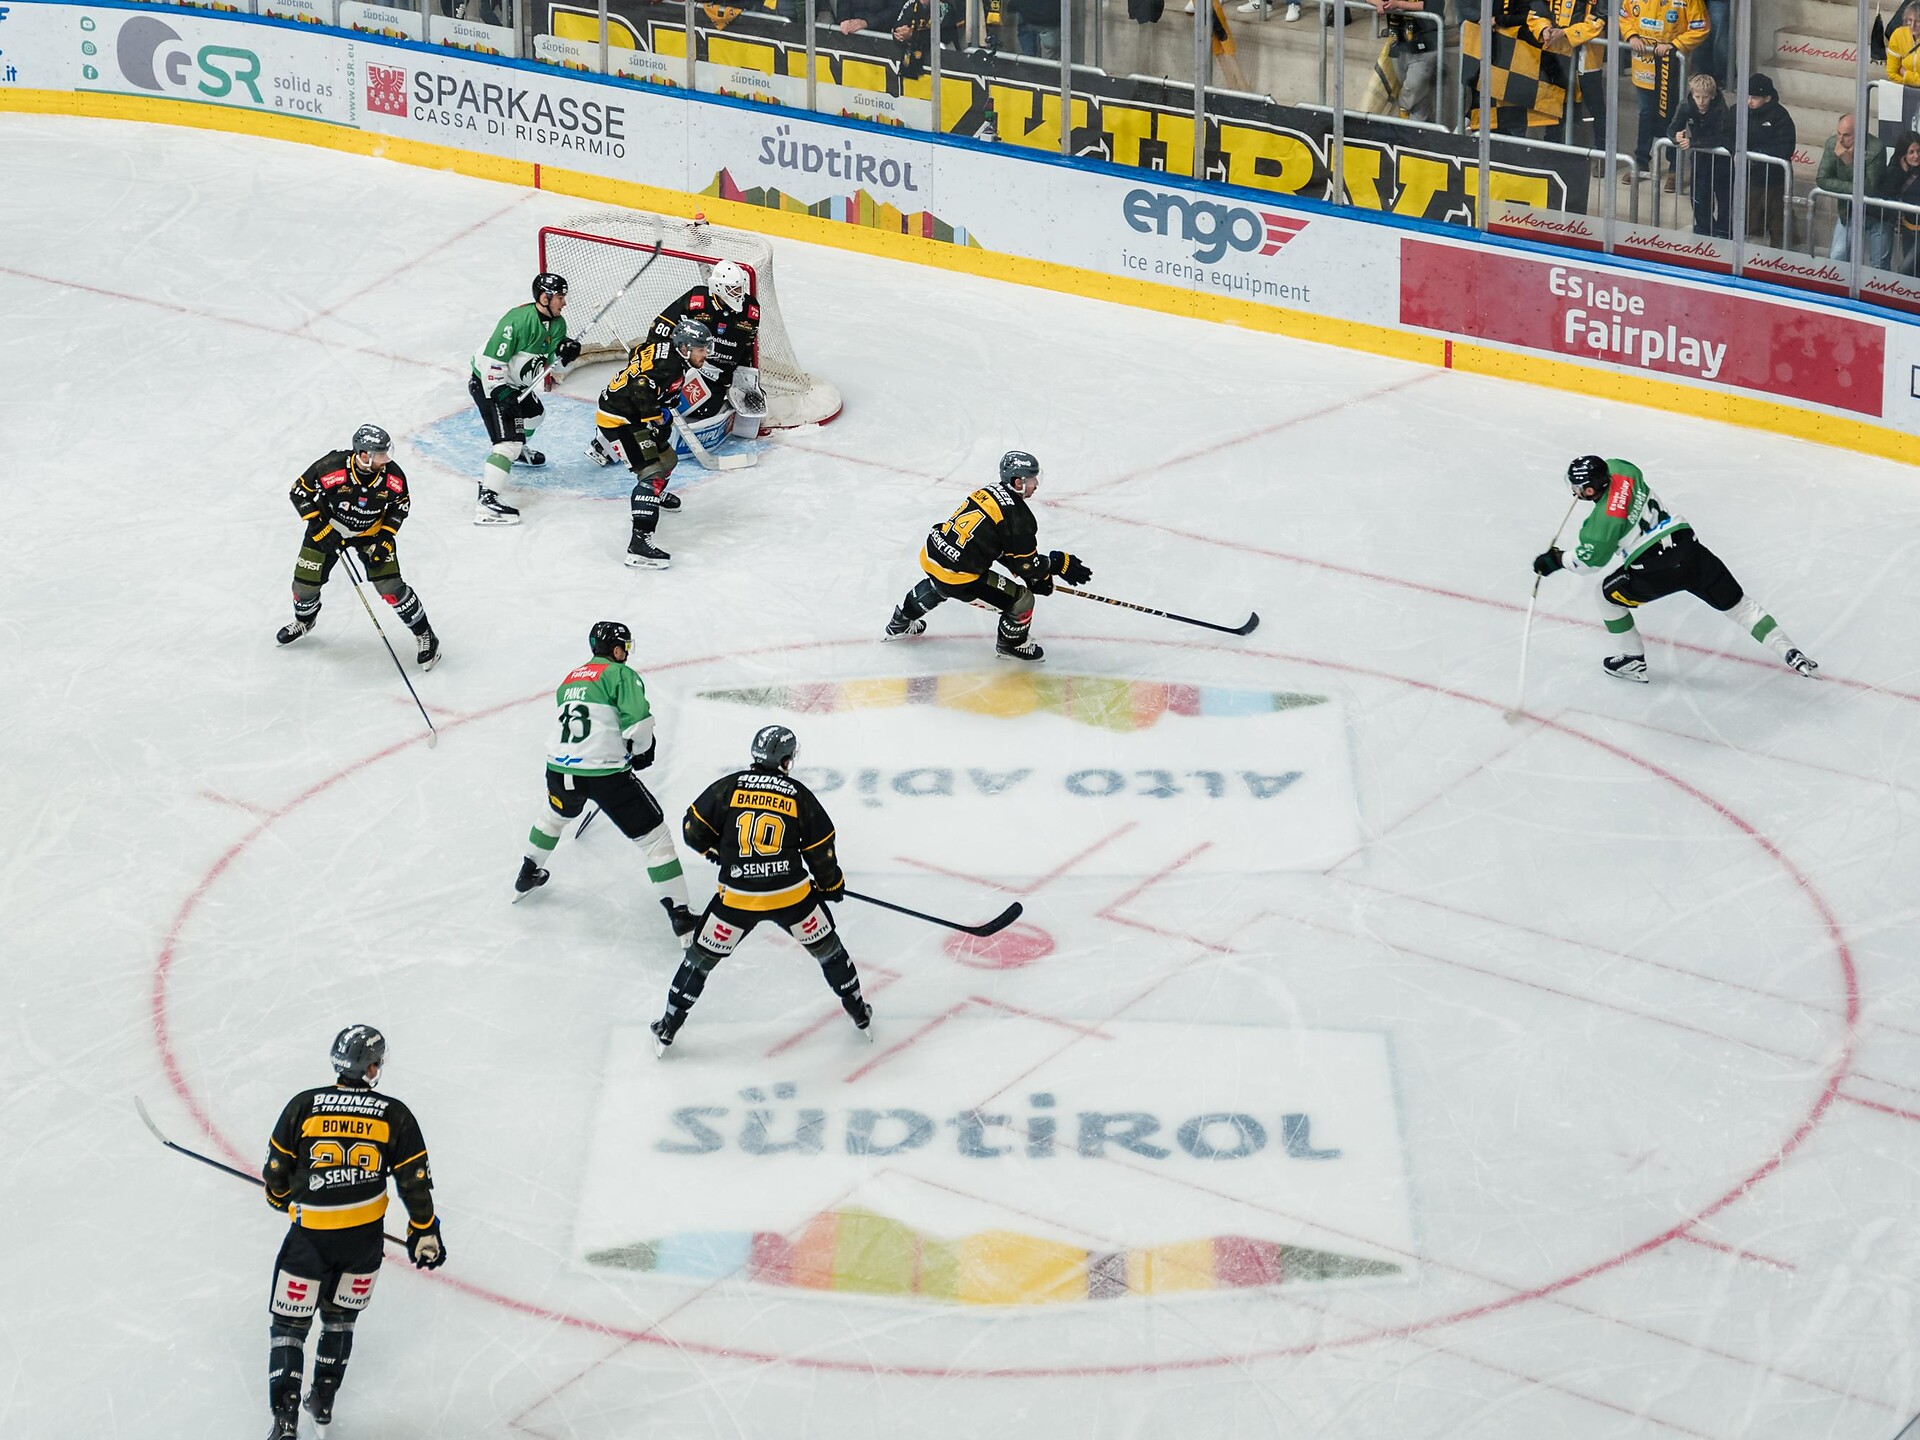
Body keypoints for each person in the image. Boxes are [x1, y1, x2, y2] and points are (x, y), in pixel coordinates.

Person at [261, 1025, 443, 1439]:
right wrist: (424, 1232)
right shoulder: (394, 1113)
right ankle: (322, 1400)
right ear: (372, 1066)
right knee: (340, 1321)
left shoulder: (304, 1106)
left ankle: (285, 1419)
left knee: (289, 1327)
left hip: (309, 1240)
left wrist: (280, 1196)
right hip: (363, 1242)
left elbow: (276, 1171)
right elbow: (414, 1181)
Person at [650, 724, 872, 1054]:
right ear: (785, 760)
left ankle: (668, 1025)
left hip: (736, 899)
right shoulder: (797, 795)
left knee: (698, 962)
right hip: (792, 897)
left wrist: (717, 852)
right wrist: (831, 884)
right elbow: (821, 846)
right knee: (830, 952)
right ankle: (859, 1013)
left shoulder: (729, 787)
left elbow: (692, 828)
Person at [1532, 455, 1817, 683]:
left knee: (1604, 595)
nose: (1575, 491)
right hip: (1689, 548)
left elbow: (1587, 563)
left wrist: (1556, 560)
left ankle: (1632, 659)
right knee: (1739, 606)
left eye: (1578, 487)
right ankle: (1790, 651)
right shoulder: (1622, 469)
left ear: (1591, 489)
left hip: (1655, 570)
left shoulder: (1599, 526)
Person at [513, 620, 698, 945]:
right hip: (604, 775)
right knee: (655, 840)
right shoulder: (620, 674)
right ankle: (681, 916)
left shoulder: (569, 679)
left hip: (559, 770)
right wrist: (641, 751)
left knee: (553, 817)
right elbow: (639, 723)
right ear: (616, 649)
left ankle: (527, 872)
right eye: (624, 647)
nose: (626, 653)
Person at [883, 450, 1092, 664]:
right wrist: (1053, 565)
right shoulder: (1018, 516)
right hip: (959, 575)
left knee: (940, 582)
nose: (1036, 483)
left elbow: (996, 543)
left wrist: (1033, 572)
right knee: (1023, 600)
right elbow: (1026, 565)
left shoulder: (987, 492)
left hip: (933, 554)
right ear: (1018, 482)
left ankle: (900, 622)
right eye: (1031, 479)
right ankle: (1012, 645)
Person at [276, 424, 440, 669]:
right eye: (380, 455)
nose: (386, 460)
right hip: (327, 530)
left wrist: (386, 538)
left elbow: (401, 505)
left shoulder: (393, 477)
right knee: (304, 587)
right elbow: (299, 492)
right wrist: (319, 527)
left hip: (371, 534)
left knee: (391, 587)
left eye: (387, 453)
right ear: (363, 455)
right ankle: (305, 621)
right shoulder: (330, 467)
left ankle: (425, 634)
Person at [590, 319, 715, 570]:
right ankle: (639, 546)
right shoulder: (670, 366)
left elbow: (638, 355)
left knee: (669, 459)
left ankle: (652, 497)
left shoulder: (663, 351)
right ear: (684, 348)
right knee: (653, 474)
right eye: (701, 349)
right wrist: (657, 418)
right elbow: (639, 387)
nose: (706, 354)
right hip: (619, 422)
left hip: (629, 414)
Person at [469, 272, 583, 526]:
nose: (564, 303)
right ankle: (486, 501)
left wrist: (565, 356)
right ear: (545, 297)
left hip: (515, 384)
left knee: (534, 416)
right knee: (508, 442)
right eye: (560, 298)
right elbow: (491, 361)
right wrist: (500, 392)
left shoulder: (557, 324)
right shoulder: (517, 321)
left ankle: (519, 452)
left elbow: (549, 368)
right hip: (490, 384)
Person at [640, 259, 765, 426]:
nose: (738, 293)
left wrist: (741, 379)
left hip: (718, 375)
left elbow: (747, 347)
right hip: (689, 365)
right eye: (732, 289)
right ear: (718, 287)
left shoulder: (751, 310)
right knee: (661, 394)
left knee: (706, 410)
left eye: (740, 288)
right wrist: (654, 359)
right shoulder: (697, 299)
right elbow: (662, 326)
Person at [1620, 0, 1708, 184]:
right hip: (1644, 68)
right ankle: (1641, 164)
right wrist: (1632, 35)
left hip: (1673, 67)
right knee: (1646, 114)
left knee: (1674, 117)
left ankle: (1674, 170)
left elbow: (1700, 26)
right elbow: (1625, 15)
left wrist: (1674, 45)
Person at [1527, 0, 1607, 145]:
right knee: (1556, 104)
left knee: (1596, 108)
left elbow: (1599, 20)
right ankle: (1552, 149)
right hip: (1557, 57)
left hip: (1587, 60)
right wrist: (1544, 29)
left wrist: (1565, 33)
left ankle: (1603, 154)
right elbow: (1536, 12)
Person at [1818, 111, 1889, 266]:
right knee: (1837, 254)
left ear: (1860, 134)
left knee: (1879, 264)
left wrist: (1848, 162)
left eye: (1847, 135)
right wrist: (1852, 190)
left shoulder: (1875, 148)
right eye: (1839, 133)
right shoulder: (1833, 144)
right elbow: (1822, 180)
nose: (1841, 140)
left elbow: (1869, 188)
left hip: (1878, 213)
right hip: (1849, 210)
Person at [1669, 71, 1733, 236]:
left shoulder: (1721, 108)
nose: (1701, 101)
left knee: (1724, 197)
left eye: (1705, 97)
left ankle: (1724, 230)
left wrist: (1693, 142)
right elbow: (1672, 128)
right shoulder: (1686, 105)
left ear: (1712, 96)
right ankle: (1704, 228)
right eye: (1697, 97)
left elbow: (1722, 137)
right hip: (1700, 157)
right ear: (1692, 94)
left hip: (1721, 159)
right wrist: (1676, 136)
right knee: (1699, 195)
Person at [1742, 73, 1796, 251]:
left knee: (1778, 221)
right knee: (1750, 221)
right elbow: (1728, 134)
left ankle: (1781, 260)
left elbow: (1785, 148)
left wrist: (1757, 154)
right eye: (1747, 96)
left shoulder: (1781, 117)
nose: (1749, 101)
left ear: (1767, 98)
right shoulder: (1740, 111)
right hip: (1751, 176)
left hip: (1775, 178)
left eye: (1755, 98)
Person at [1380, 0, 1442, 124]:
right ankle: (1419, 131)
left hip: (1426, 46)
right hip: (1398, 45)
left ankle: (1410, 122)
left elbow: (1436, 5)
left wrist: (1398, 4)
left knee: (1412, 87)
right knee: (1419, 95)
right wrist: (1378, 3)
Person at [1878, 130, 1920, 275]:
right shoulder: (1896, 168)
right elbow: (1886, 192)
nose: (1916, 156)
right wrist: (1901, 172)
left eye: (1919, 151)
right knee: (1914, 272)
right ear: (1903, 154)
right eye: (1911, 152)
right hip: (1908, 228)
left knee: (1905, 269)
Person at [1887, 0, 1920, 86]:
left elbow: (1902, 73)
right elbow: (1892, 73)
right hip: (1904, 92)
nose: (1912, 25)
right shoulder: (1898, 35)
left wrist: (1906, 75)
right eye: (1910, 20)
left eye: (1918, 21)